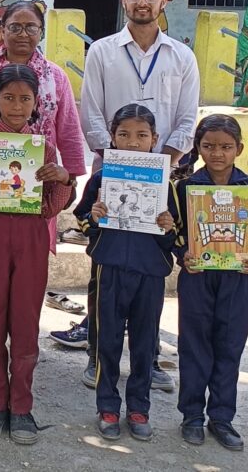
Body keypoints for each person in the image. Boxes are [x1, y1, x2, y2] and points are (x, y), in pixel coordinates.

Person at [59, 0, 199, 391]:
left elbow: (187, 118)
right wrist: (118, 165)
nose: (142, 1)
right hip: (112, 172)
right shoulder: (102, 51)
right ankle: (97, 356)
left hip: (162, 175)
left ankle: (148, 357)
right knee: (105, 264)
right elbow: (91, 113)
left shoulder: (182, 56)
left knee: (151, 270)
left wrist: (160, 165)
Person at [0, 64, 75, 445]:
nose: (17, 106)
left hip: (31, 239)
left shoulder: (44, 148)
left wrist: (63, 179)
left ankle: (21, 407)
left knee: (25, 323)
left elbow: (50, 207)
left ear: (37, 102)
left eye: (25, 98)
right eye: (9, 97)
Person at [0, 0, 86, 363]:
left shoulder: (55, 77)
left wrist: (69, 177)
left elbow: (68, 129)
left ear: (41, 32)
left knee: (27, 264)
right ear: (1, 30)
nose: (22, 33)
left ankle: (22, 334)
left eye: (30, 27)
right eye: (14, 26)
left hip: (37, 188)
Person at [77, 104, 178, 442]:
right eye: (124, 134)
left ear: (155, 139)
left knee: (144, 343)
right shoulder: (102, 178)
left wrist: (168, 226)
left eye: (141, 135)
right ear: (112, 138)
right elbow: (81, 219)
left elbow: (178, 234)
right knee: (106, 340)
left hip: (150, 273)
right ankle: (107, 406)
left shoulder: (167, 183)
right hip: (109, 269)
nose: (133, 142)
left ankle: (139, 408)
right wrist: (94, 216)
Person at [172, 115, 248, 451]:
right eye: (209, 146)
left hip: (238, 280)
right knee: (193, 345)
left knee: (229, 347)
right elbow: (174, 232)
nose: (217, 153)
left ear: (239, 149)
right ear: (198, 148)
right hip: (197, 278)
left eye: (226, 147)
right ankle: (191, 416)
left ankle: (222, 417)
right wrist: (183, 253)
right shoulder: (185, 188)